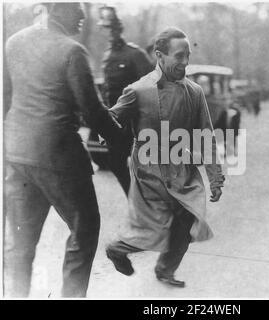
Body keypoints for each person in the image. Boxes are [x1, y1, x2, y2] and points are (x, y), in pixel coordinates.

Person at [3, 3, 123, 297]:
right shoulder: (72, 51)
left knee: (20, 242)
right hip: (59, 156)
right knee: (85, 228)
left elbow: (4, 100)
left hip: (17, 155)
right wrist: (123, 139)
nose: (83, 17)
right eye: (76, 9)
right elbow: (92, 111)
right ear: (57, 10)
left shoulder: (13, 42)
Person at [105, 27, 225, 287]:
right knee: (156, 226)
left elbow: (206, 135)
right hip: (148, 169)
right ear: (160, 55)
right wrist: (104, 128)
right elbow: (112, 118)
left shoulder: (194, 92)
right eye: (178, 56)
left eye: (188, 56)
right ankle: (118, 248)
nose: (184, 62)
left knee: (187, 217)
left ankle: (165, 269)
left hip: (181, 166)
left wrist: (215, 177)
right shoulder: (138, 90)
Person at [95, 6, 154, 196]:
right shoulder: (106, 57)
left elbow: (152, 85)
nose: (109, 34)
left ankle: (152, 206)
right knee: (115, 162)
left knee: (147, 166)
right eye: (105, 29)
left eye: (112, 29)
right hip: (115, 120)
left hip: (137, 120)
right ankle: (134, 201)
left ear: (119, 30)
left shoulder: (135, 54)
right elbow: (106, 90)